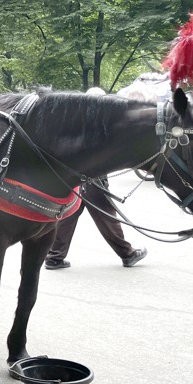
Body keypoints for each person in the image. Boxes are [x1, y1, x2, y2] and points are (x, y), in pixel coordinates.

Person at [44, 86, 147, 270]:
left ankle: (54, 257)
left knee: (70, 215)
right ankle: (127, 253)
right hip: (91, 178)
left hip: (77, 178)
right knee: (106, 215)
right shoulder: (95, 124)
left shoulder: (81, 121)